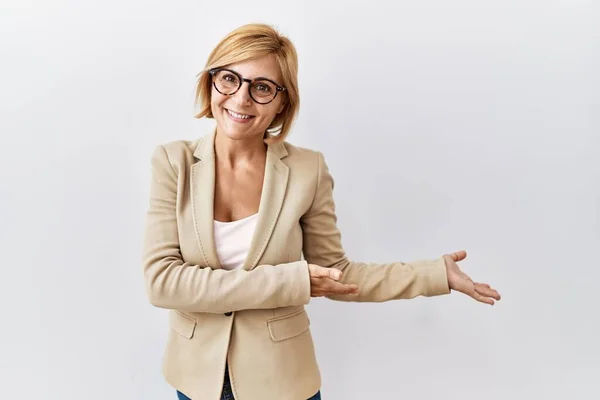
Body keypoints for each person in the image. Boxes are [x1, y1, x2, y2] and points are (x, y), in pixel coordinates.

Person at [141, 23, 501, 400]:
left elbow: (337, 274)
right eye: (230, 78)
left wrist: (435, 274)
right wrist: (290, 282)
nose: (241, 98)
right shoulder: (173, 162)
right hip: (197, 379)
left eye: (262, 87)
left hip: (283, 381)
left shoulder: (306, 170)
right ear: (211, 82)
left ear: (283, 101)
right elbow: (162, 282)